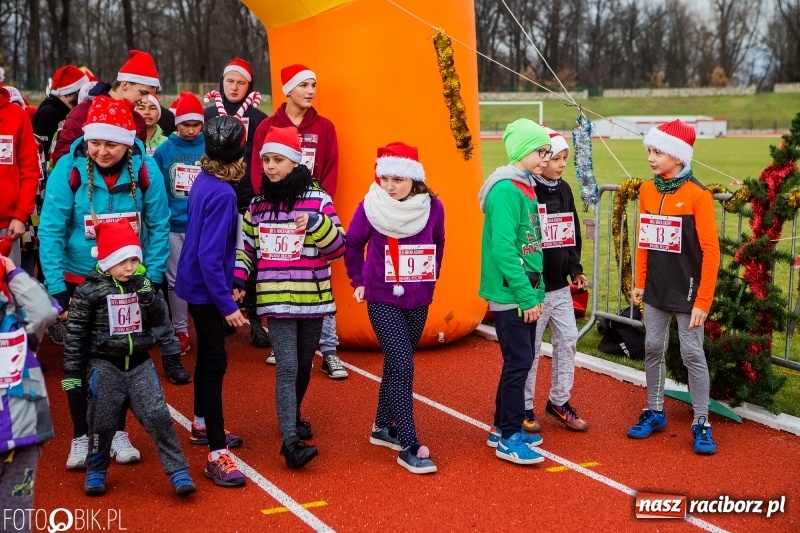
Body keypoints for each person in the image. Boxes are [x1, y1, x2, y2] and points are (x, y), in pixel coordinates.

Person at [39, 95, 177, 469]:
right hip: (78, 281)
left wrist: (152, 277)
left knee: (121, 357)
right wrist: (56, 289)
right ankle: (82, 436)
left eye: (111, 143)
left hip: (128, 281)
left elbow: (158, 227)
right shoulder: (68, 171)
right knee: (78, 362)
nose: (102, 150)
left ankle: (116, 431)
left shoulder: (146, 171)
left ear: (128, 142)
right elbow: (50, 232)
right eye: (96, 142)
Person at [234, 125, 345, 469]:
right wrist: (239, 279)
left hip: (313, 298)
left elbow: (338, 247)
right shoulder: (257, 205)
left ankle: (293, 416)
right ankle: (290, 443)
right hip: (276, 300)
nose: (269, 166)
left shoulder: (319, 199)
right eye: (266, 159)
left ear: (295, 162)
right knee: (287, 367)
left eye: (277, 159)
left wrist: (314, 222)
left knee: (304, 366)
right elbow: (247, 249)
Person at [63, 220, 196, 496]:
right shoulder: (88, 292)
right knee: (100, 423)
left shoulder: (143, 284)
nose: (130, 267)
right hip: (104, 366)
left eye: (135, 260)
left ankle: (179, 472)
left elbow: (160, 317)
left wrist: (148, 295)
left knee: (159, 416)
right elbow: (74, 336)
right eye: (123, 261)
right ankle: (96, 470)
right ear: (107, 259)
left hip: (140, 364)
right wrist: (71, 378)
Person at [344, 142, 444, 474]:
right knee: (403, 365)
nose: (389, 185)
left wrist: (432, 278)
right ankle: (409, 444)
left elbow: (439, 242)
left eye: (397, 179)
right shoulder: (370, 207)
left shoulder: (433, 207)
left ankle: (380, 427)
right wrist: (358, 280)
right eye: (384, 178)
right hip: (382, 298)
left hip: (419, 299)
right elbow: (353, 245)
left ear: (414, 180)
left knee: (397, 362)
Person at [629, 119, 720, 455]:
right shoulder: (647, 190)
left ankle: (701, 422)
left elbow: (711, 251)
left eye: (659, 151)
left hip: (689, 291)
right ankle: (654, 410)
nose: (651, 157)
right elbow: (644, 240)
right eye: (650, 150)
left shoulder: (698, 194)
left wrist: (703, 300)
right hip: (655, 288)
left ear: (679, 157)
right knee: (653, 346)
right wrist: (640, 281)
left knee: (692, 353)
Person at [251, 64, 345, 377]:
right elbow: (257, 168)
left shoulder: (325, 127)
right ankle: (283, 348)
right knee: (278, 273)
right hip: (276, 213)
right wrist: (269, 205)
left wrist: (318, 208)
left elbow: (330, 170)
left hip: (312, 213)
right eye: (304, 85)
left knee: (320, 278)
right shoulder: (267, 125)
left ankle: (329, 350)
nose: (310, 91)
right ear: (288, 90)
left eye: (313, 85)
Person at [175, 116, 248, 487]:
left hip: (199, 284)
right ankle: (217, 453)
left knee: (207, 357)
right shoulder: (224, 193)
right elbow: (208, 253)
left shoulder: (204, 180)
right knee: (215, 362)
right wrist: (227, 305)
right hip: (206, 289)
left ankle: (202, 424)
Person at [478, 118, 550, 465]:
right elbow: (505, 249)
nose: (545, 158)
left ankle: (499, 427)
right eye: (541, 151)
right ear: (523, 150)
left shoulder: (524, 185)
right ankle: (508, 435)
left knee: (518, 360)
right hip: (511, 292)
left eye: (548, 152)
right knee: (519, 361)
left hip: (524, 289)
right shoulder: (507, 189)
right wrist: (525, 295)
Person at [522, 127, 589, 433]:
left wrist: (575, 268)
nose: (562, 164)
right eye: (557, 158)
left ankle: (558, 401)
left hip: (560, 288)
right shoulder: (526, 190)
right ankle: (524, 406)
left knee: (569, 340)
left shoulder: (564, 190)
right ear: (542, 157)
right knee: (531, 351)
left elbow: (572, 232)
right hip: (534, 290)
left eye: (566, 158)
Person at [204, 57, 269, 349]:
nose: (234, 87)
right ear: (221, 82)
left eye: (241, 82)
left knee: (250, 258)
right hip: (215, 195)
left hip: (247, 197)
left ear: (249, 86)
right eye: (230, 80)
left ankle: (255, 322)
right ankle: (220, 313)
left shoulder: (258, 119)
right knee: (216, 255)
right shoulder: (207, 114)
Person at [0, 237, 59, 533]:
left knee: (14, 522)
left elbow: (45, 311)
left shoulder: (18, 325)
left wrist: (11, 270)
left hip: (22, 438)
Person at [153, 92, 206, 356]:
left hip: (203, 225)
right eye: (186, 124)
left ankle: (208, 326)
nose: (192, 130)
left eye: (197, 125)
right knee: (174, 279)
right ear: (176, 124)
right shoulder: (164, 151)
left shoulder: (208, 146)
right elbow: (158, 190)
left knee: (205, 275)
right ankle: (181, 330)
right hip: (174, 225)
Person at [52, 50, 160, 164]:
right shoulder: (83, 112)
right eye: (143, 93)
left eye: (149, 95)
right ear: (125, 85)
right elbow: (62, 160)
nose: (145, 100)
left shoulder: (138, 121)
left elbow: (138, 162)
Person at [0, 76, 39, 267]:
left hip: (7, 227)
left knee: (6, 292)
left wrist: (21, 215)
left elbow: (30, 170)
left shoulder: (16, 116)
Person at [32, 65, 90, 156]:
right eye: (81, 90)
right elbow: (41, 150)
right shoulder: (47, 113)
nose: (85, 94)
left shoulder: (70, 111)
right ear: (71, 91)